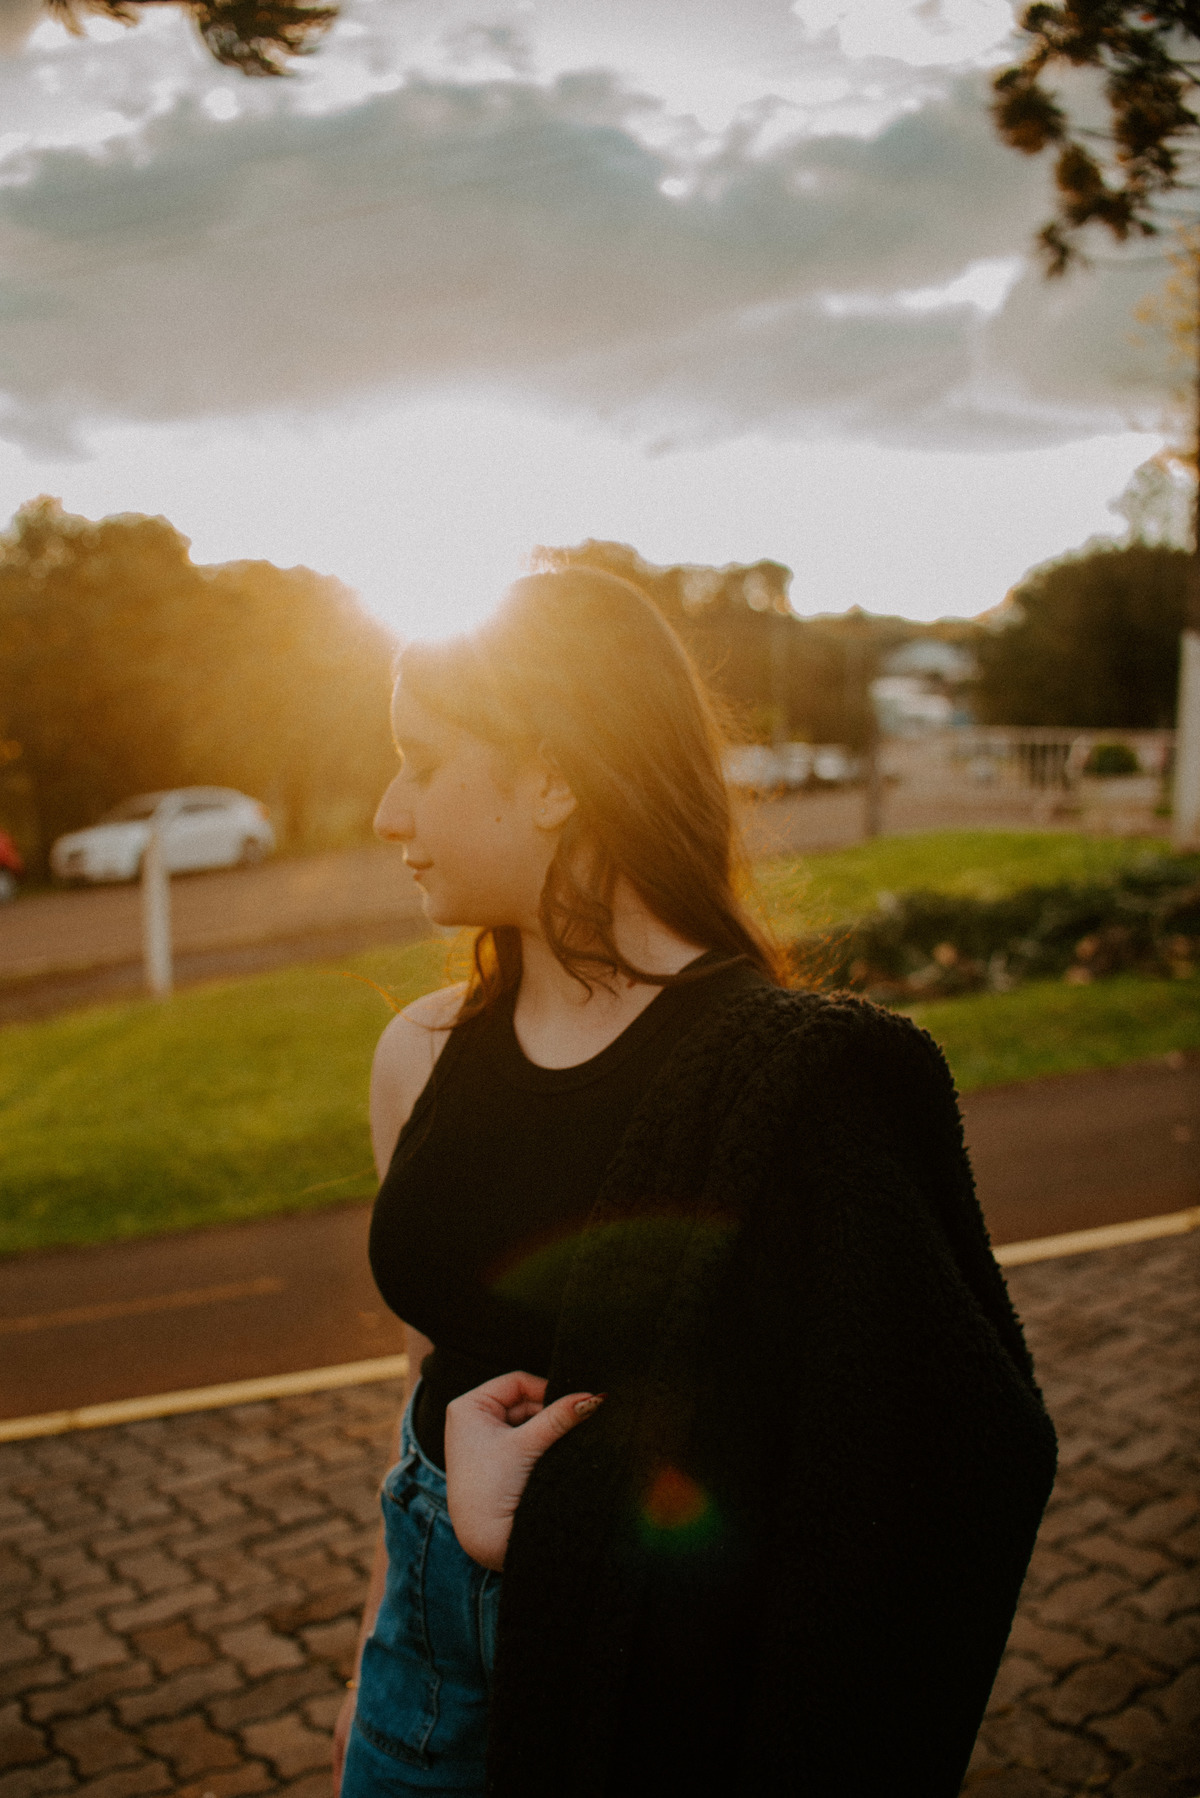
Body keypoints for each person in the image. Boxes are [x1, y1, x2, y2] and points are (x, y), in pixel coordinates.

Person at [334, 565, 1057, 1798]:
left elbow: (908, 1462)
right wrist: (383, 1649)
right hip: (424, 1660)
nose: (386, 811)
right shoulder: (419, 1056)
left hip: (646, 1688)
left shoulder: (787, 1090)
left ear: (553, 777)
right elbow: (429, 1378)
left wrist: (551, 1530)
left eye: (423, 761)